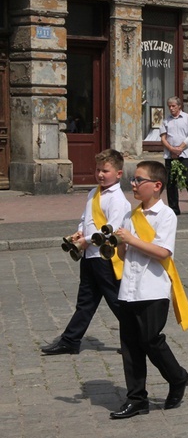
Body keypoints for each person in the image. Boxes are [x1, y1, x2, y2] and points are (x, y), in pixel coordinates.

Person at [110, 161, 188, 419]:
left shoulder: (166, 215)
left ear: (156, 186)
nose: (133, 184)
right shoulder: (130, 215)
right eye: (133, 180)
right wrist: (119, 244)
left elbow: (163, 252)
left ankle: (178, 377)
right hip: (130, 289)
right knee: (130, 345)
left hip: (153, 289)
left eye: (138, 180)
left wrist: (132, 239)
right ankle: (136, 399)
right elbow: (123, 255)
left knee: (150, 340)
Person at [41, 149, 131, 355]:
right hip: (90, 256)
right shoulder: (93, 193)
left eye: (105, 171)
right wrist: (79, 231)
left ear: (118, 174)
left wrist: (86, 240)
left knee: (117, 302)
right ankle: (71, 340)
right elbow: (86, 218)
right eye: (98, 170)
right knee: (86, 301)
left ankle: (137, 339)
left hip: (105, 258)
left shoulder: (118, 199)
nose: (100, 174)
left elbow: (111, 229)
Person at [160, 96, 188, 216]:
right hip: (170, 155)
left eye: (173, 106)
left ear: (179, 106)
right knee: (171, 181)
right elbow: (163, 138)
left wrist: (180, 148)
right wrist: (171, 149)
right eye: (169, 106)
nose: (171, 108)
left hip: (184, 154)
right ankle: (174, 208)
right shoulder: (166, 120)